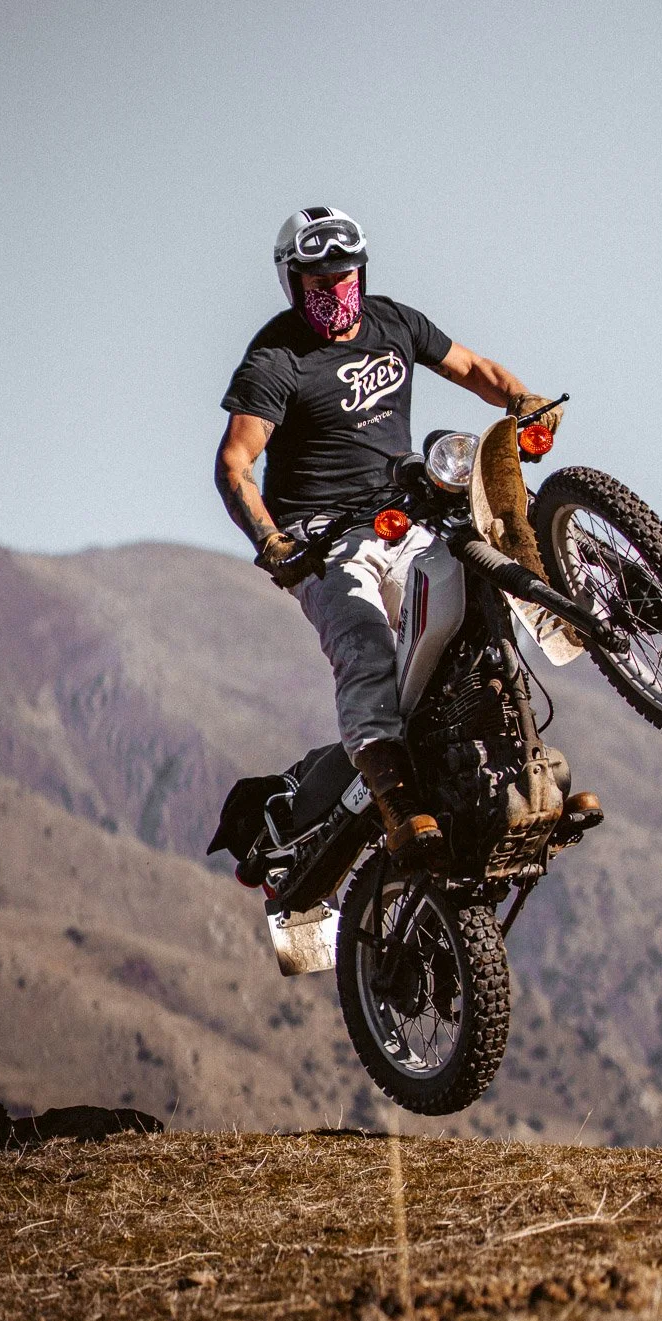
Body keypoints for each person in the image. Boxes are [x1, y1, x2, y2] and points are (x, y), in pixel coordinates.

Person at [215, 206, 563, 863]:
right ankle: (397, 803)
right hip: (323, 538)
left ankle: (526, 765)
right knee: (367, 647)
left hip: (405, 514)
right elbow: (236, 463)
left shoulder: (394, 322)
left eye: (344, 278)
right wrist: (273, 543)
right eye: (317, 283)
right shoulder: (276, 358)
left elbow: (474, 369)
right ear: (291, 282)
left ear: (363, 272)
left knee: (483, 602)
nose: (335, 293)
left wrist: (525, 403)